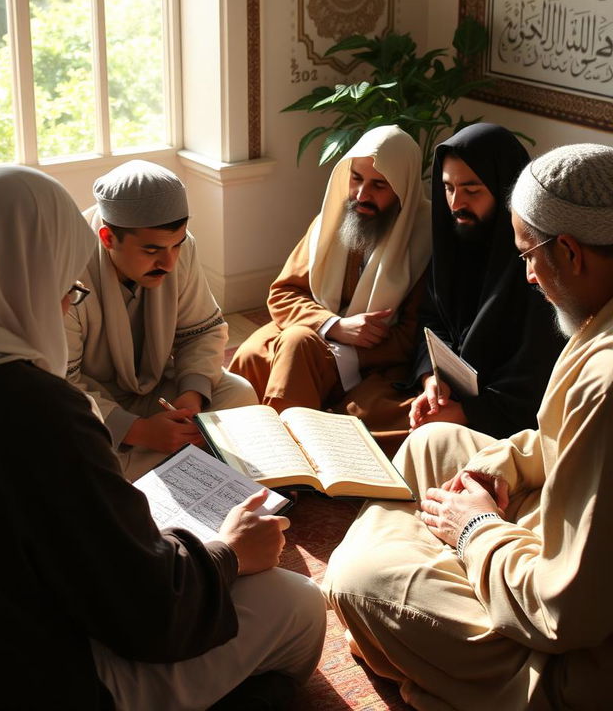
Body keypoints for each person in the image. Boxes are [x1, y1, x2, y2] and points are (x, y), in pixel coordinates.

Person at [0, 164, 326, 711]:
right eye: (64, 286)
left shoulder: (20, 389)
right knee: (299, 603)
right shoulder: (38, 412)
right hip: (40, 671)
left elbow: (205, 330)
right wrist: (227, 554)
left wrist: (190, 398)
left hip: (145, 405)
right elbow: (145, 609)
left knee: (230, 390)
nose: (68, 300)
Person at [323, 142, 613, 711]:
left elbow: (564, 615)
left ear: (573, 252)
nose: (527, 275)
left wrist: (473, 528)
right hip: (551, 550)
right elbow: (557, 439)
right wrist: (502, 464)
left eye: (529, 255)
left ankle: (392, 610)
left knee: (358, 578)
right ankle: (405, 612)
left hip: (575, 662)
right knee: (434, 441)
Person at [229, 126, 431, 435]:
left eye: (379, 185)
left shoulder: (425, 240)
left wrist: (347, 351)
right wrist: (334, 326)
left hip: (376, 357)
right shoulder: (331, 222)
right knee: (252, 355)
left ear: (402, 189)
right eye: (356, 179)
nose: (362, 195)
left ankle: (285, 455)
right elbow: (283, 294)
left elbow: (414, 337)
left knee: (302, 351)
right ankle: (231, 445)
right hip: (317, 327)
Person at [65, 160, 257, 479]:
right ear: (108, 238)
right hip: (96, 405)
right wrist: (137, 431)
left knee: (238, 393)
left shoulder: (180, 250)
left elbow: (202, 331)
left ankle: (161, 468)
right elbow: (62, 383)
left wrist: (191, 396)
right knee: (81, 451)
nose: (168, 263)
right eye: (152, 250)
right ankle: (186, 463)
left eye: (176, 245)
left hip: (157, 393)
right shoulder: (69, 269)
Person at [406, 122, 563, 437]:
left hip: (504, 420)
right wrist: (432, 379)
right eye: (448, 188)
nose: (456, 204)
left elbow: (534, 375)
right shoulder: (457, 243)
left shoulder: (537, 264)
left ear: (505, 187)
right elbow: (431, 319)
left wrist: (467, 412)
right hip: (449, 399)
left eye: (472, 190)